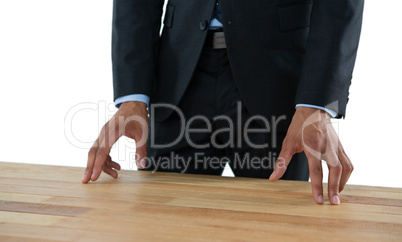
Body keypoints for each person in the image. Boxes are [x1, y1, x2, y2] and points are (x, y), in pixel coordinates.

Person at [83, 0, 364, 205]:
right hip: (177, 82)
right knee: (163, 234)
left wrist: (316, 103)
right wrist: (132, 96)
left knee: (279, 238)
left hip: (278, 82)